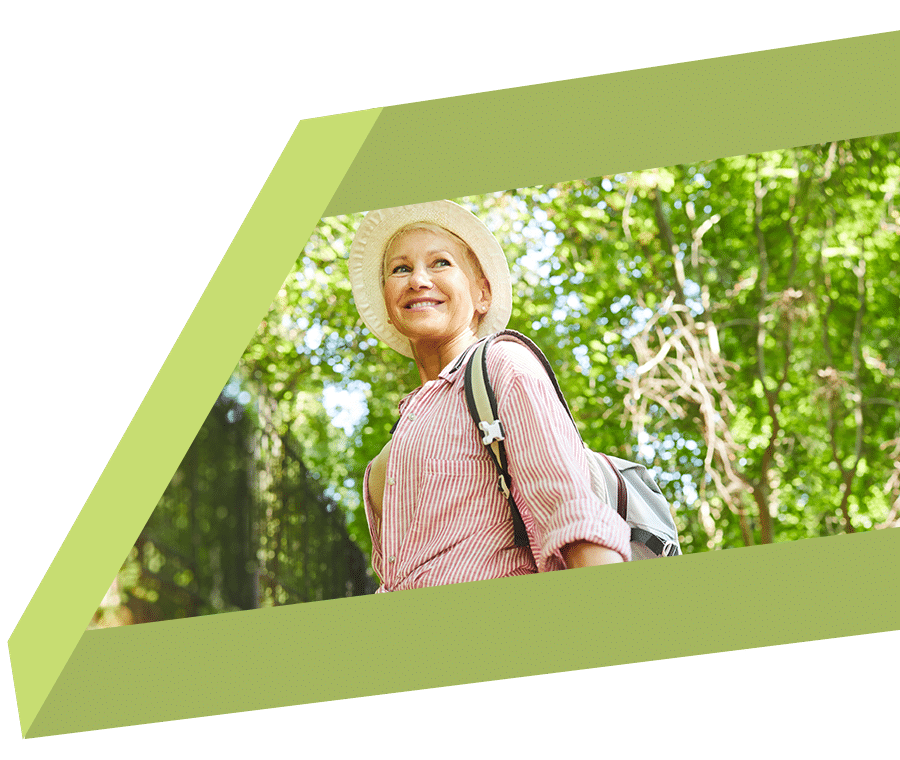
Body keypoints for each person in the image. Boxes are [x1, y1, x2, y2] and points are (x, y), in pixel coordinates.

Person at [348, 200, 631, 593]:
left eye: (441, 263)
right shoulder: (386, 462)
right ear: (387, 301)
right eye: (401, 269)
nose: (418, 280)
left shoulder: (503, 365)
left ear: (482, 293)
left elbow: (574, 517)